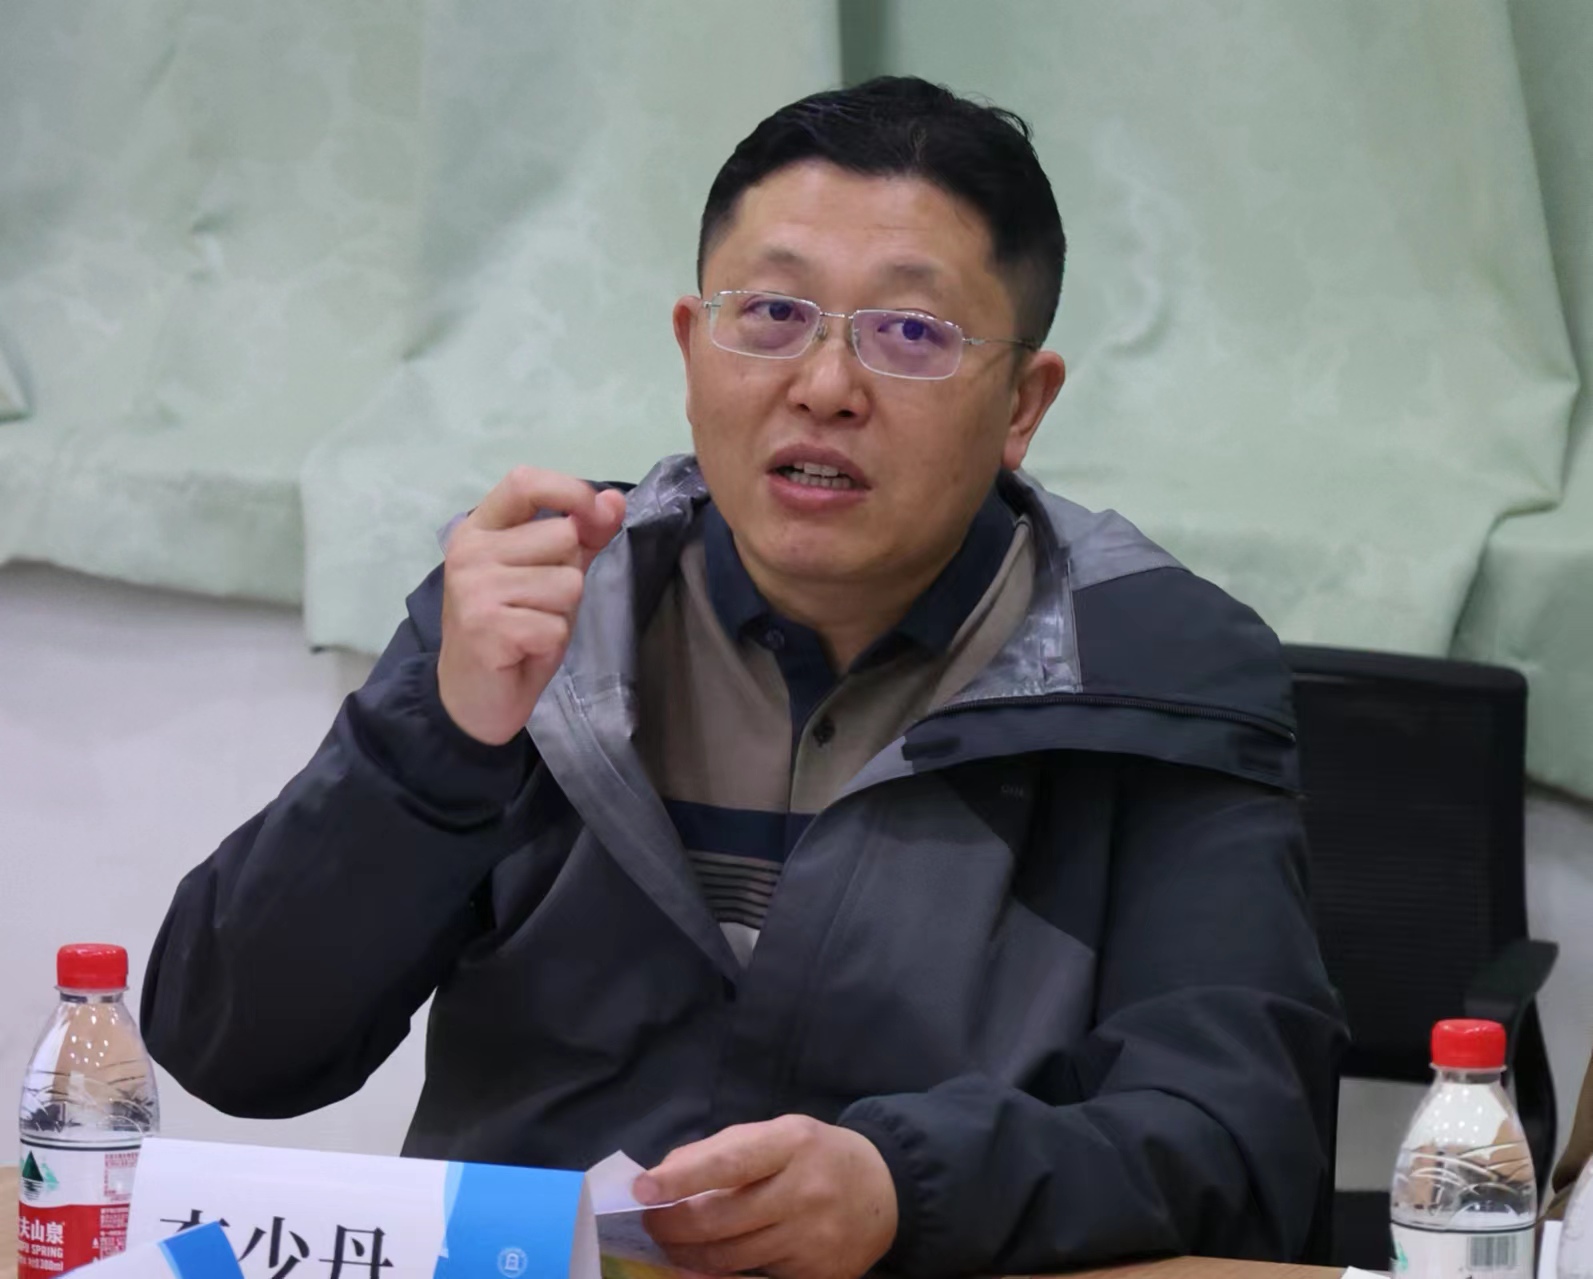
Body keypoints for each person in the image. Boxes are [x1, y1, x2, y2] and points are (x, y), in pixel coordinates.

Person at [142, 77, 1345, 1279]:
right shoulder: (553, 610)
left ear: (1022, 403)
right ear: (691, 346)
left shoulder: (1153, 673)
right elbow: (233, 1047)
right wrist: (440, 741)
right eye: (771, 313)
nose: (824, 386)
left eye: (910, 333)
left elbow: (1242, 1146)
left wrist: (906, 1189)